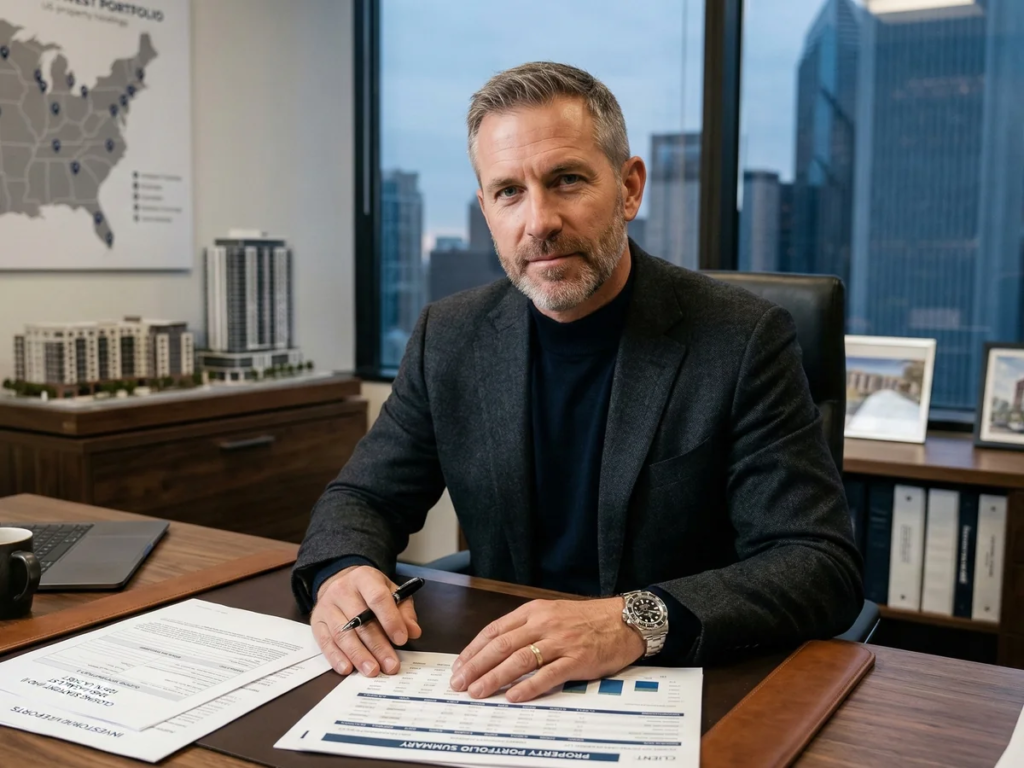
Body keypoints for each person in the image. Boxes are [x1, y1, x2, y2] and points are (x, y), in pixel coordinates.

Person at [292, 61, 863, 704]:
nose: (539, 221)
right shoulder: (448, 337)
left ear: (629, 187)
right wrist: (342, 571)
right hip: (503, 687)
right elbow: (363, 498)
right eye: (509, 191)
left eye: (566, 180)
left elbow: (819, 566)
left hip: (679, 688)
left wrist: (629, 620)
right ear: (486, 210)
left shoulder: (741, 339)